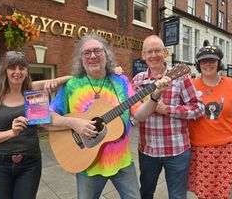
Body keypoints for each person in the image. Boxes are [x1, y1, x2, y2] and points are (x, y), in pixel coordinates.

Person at [44, 33, 171, 199]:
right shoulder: (72, 85)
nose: (93, 56)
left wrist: (154, 97)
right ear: (81, 58)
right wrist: (74, 123)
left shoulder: (121, 81)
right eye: (87, 53)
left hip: (122, 162)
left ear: (106, 54)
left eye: (97, 51)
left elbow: (139, 115)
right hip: (87, 163)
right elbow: (47, 116)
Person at [0, 51, 70, 199]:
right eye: (12, 68)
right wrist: (12, 132)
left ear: (27, 71)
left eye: (22, 68)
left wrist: (112, 71)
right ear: (5, 70)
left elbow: (70, 79)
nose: (17, 72)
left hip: (30, 163)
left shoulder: (33, 89)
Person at [132, 35, 205, 199]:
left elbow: (199, 108)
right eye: (149, 52)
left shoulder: (179, 76)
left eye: (157, 50)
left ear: (165, 52)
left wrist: (168, 110)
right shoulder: (137, 81)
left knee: (177, 196)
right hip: (147, 150)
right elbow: (132, 114)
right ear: (143, 56)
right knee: (145, 193)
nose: (153, 55)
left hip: (177, 151)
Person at [187, 45, 232, 198]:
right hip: (200, 147)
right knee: (204, 193)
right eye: (203, 61)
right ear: (198, 64)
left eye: (212, 60)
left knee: (222, 192)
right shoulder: (191, 86)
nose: (207, 64)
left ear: (219, 63)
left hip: (229, 146)